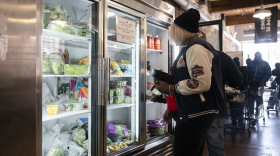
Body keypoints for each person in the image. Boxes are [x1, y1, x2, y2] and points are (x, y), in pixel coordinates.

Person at [154, 8, 224, 156]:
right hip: (194, 111)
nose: (172, 35)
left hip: (196, 112)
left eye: (173, 30)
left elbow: (201, 83)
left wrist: (172, 87)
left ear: (181, 30)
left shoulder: (196, 47)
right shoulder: (191, 47)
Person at [204, 54, 243, 156]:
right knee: (216, 147)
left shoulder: (186, 53)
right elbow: (237, 80)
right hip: (216, 106)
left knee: (195, 148)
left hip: (192, 109)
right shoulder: (221, 56)